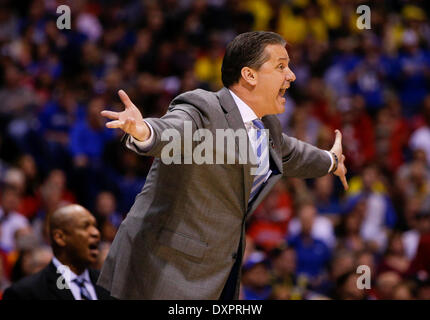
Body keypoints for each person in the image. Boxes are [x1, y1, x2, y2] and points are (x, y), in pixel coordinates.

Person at [98, 31, 348, 299]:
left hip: (215, 275)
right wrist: (144, 130)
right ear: (249, 75)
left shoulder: (267, 126)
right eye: (281, 66)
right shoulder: (203, 107)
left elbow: (294, 154)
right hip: (160, 271)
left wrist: (332, 161)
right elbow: (173, 130)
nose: (291, 75)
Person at [2, 204, 111, 300]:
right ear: (60, 237)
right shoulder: (24, 293)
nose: (96, 233)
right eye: (85, 226)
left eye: (95, 226)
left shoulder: (110, 285)